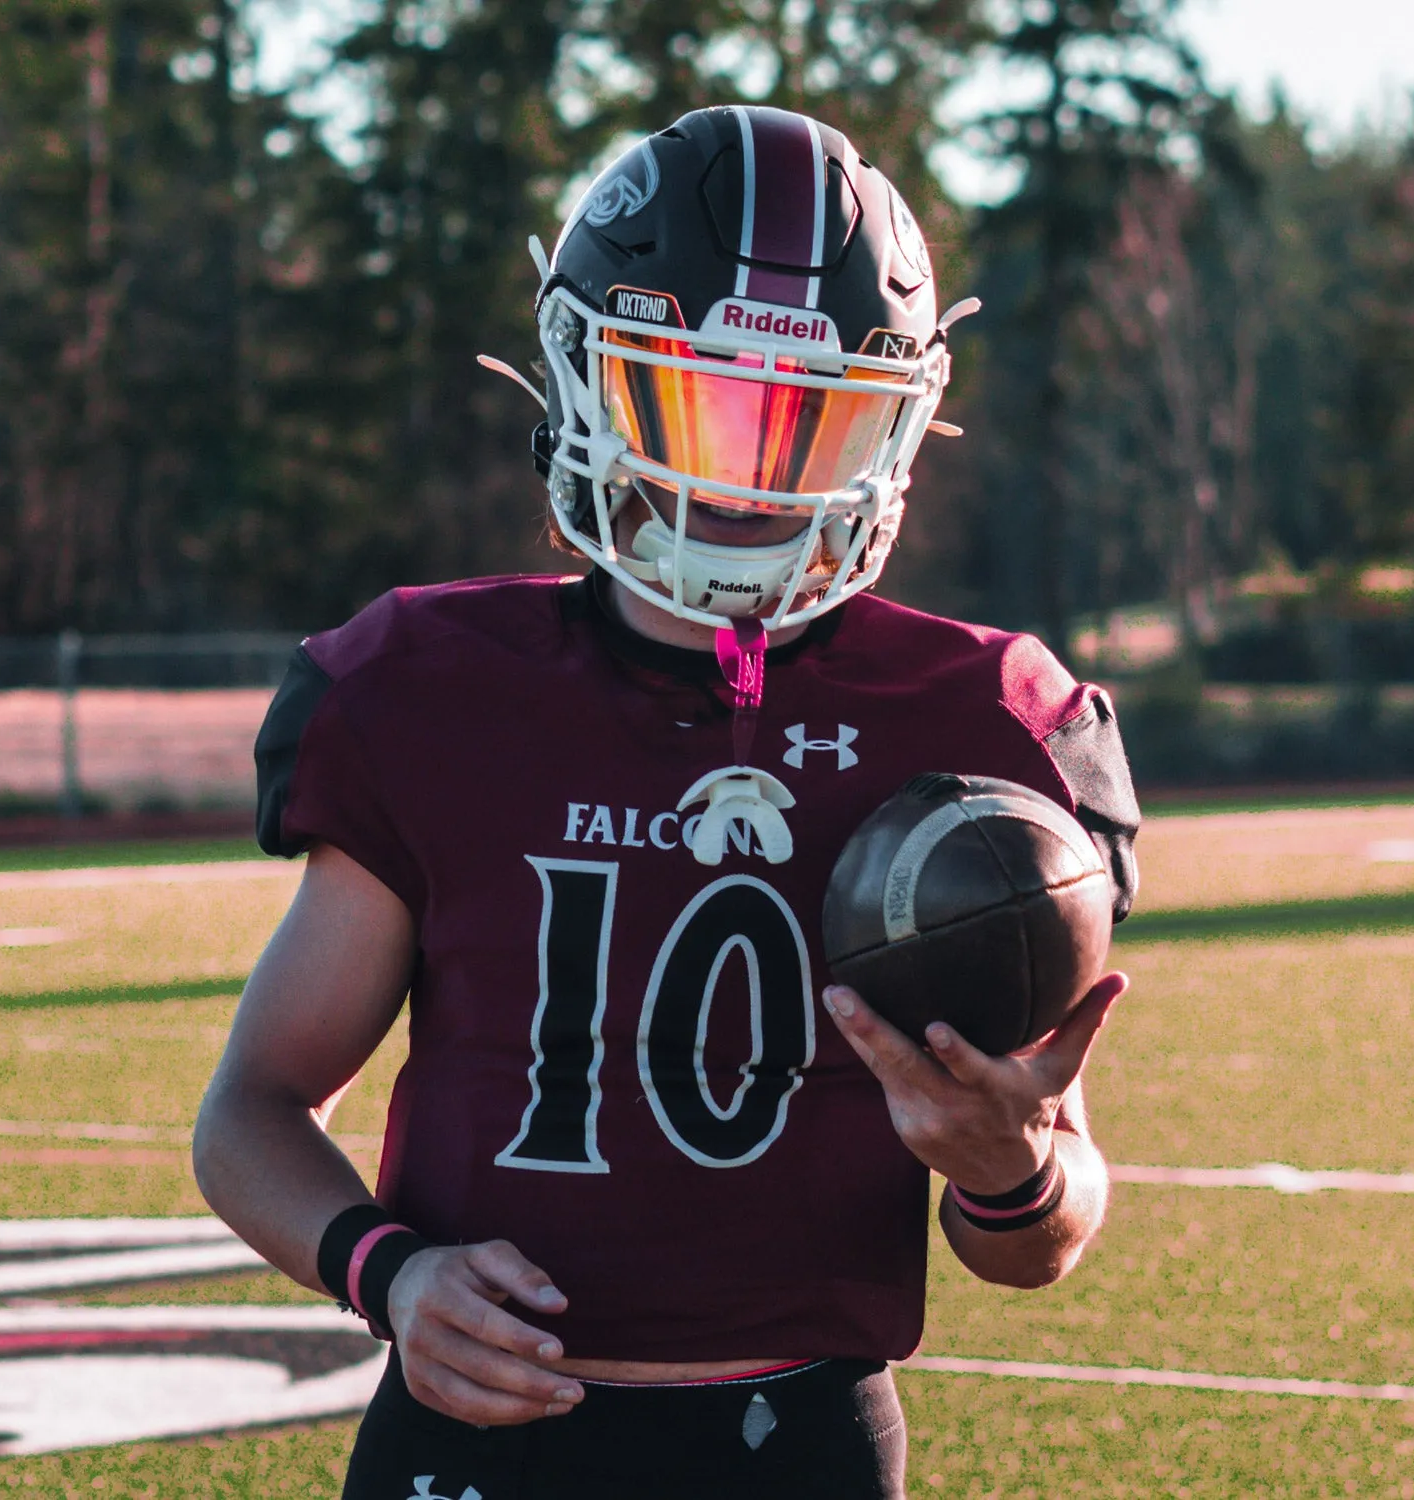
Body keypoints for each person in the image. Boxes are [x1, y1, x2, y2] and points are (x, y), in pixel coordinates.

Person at [193, 104, 1140, 1500]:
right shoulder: (431, 688)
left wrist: (1012, 1172)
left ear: (895, 426)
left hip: (798, 1443)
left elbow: (1045, 1232)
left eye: (805, 423)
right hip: (477, 1440)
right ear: (589, 380)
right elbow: (253, 1111)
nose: (746, 479)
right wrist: (387, 1274)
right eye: (702, 402)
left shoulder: (980, 719)